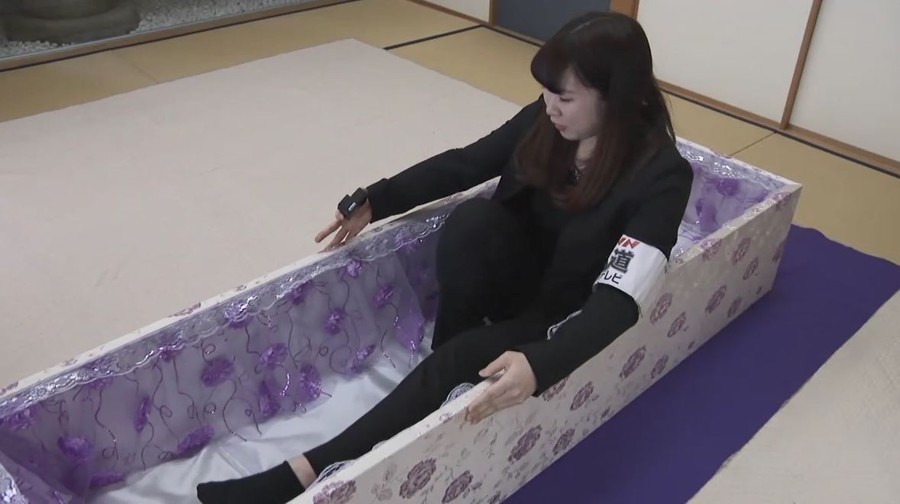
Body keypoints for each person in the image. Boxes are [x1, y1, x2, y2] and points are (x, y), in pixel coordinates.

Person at [197, 11, 692, 504]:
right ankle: (453, 361)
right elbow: (468, 162)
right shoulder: (547, 122)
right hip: (518, 271)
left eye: (564, 98)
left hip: (560, 312)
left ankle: (304, 473)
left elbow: (619, 300)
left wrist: (543, 363)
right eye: (546, 92)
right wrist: (377, 200)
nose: (550, 107)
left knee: (456, 361)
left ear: (616, 99)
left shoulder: (661, 176)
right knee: (473, 222)